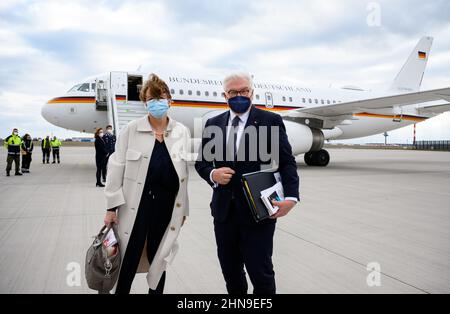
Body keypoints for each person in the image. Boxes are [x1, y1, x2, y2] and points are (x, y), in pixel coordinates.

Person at [195, 72, 300, 294]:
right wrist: (212, 174)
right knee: (231, 274)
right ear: (225, 95)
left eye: (244, 91)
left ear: (252, 92)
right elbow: (201, 163)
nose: (239, 95)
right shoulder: (213, 124)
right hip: (224, 213)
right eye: (233, 92)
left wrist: (291, 198)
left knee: (260, 274)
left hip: (259, 212)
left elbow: (287, 163)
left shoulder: (269, 121)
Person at [103, 74, 190, 294]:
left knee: (159, 258)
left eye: (160, 97)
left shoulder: (181, 131)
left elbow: (183, 175)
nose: (156, 102)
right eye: (150, 99)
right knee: (128, 258)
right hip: (135, 206)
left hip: (167, 206)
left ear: (169, 99)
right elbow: (116, 167)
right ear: (145, 103)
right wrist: (111, 208)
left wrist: (184, 209)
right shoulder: (131, 130)